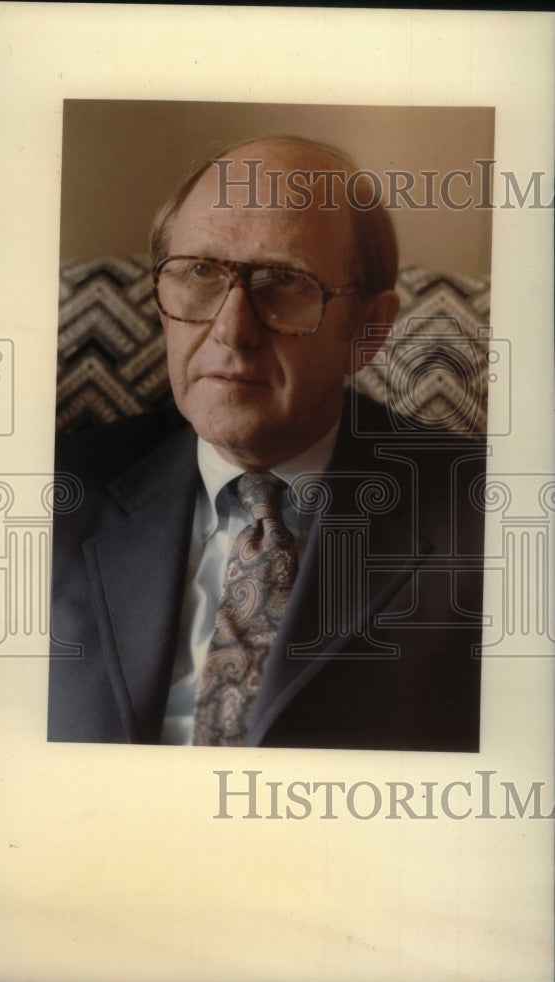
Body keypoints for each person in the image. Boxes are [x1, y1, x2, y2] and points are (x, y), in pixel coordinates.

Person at [48, 135, 486, 750]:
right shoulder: (49, 493)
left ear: (369, 329)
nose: (231, 330)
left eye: (284, 282)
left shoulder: (492, 516)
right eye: (199, 272)